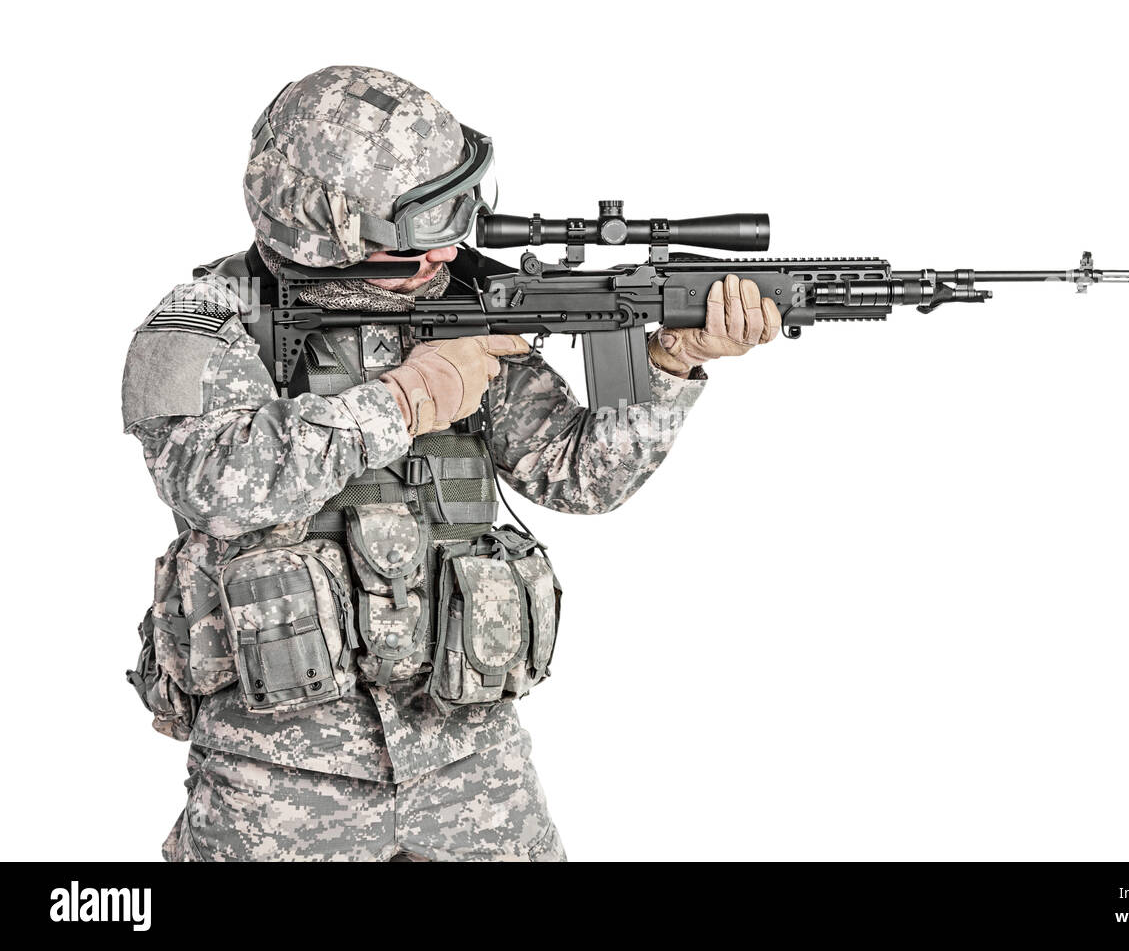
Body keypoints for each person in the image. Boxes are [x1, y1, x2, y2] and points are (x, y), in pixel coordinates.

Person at [122, 65, 780, 861]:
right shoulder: (201, 322)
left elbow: (577, 475)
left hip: (469, 755)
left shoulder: (464, 300)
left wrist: (671, 364)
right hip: (275, 778)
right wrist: (402, 402)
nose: (445, 253)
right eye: (412, 244)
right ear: (319, 230)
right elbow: (210, 485)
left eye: (456, 217)